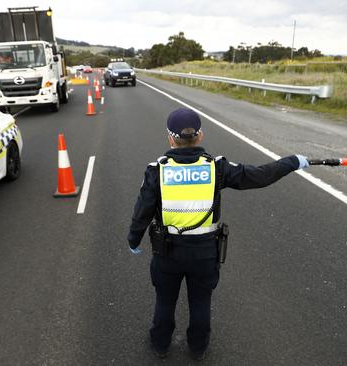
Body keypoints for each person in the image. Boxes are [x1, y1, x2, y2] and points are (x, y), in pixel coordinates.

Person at [127, 108, 309, 361]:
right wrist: (292, 162)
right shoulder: (216, 168)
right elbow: (259, 176)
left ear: (170, 138)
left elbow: (143, 211)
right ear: (199, 136)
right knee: (200, 302)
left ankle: (160, 344)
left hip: (167, 251)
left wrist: (133, 240)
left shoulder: (157, 170)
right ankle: (198, 348)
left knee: (165, 300)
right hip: (204, 252)